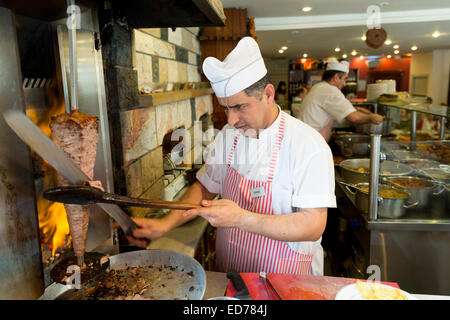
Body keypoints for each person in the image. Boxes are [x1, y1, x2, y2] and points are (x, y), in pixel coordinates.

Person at [116, 37, 336, 276]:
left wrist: (242, 218)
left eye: (240, 106)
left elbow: (313, 225)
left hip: (284, 280)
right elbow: (206, 186)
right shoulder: (229, 136)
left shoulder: (308, 145)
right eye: (225, 107)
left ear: (268, 94)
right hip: (231, 275)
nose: (231, 120)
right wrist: (165, 224)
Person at [298, 58, 383, 141]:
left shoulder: (319, 86)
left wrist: (357, 110)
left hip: (305, 136)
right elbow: (354, 117)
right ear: (336, 78)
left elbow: (343, 109)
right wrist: (372, 117)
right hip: (309, 139)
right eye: (344, 79)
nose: (344, 84)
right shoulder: (330, 90)